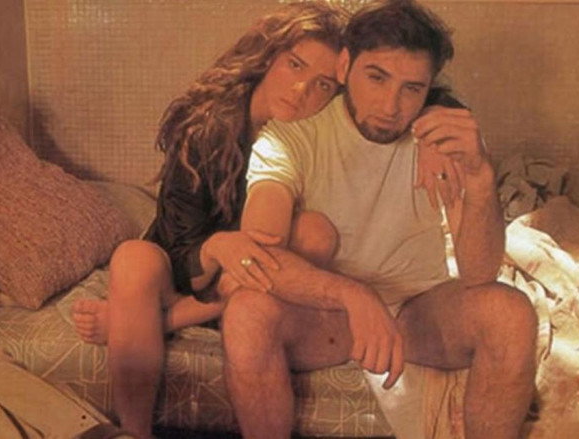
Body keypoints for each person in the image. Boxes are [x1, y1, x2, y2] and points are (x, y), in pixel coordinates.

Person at [221, 1, 538, 438]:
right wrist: (353, 295)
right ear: (345, 66)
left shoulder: (440, 134)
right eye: (376, 78)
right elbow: (261, 255)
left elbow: (480, 273)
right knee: (246, 312)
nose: (391, 105)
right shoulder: (291, 137)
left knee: (512, 313)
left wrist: (481, 177)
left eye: (412, 89)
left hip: (416, 310)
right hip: (326, 315)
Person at [69, 3, 349, 437]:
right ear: (268, 56)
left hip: (255, 284)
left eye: (323, 84)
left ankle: (157, 320)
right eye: (295, 65)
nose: (301, 90)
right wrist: (219, 246)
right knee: (133, 258)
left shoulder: (320, 135)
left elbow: (400, 94)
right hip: (187, 268)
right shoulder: (204, 122)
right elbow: (179, 246)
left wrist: (439, 119)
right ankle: (134, 433)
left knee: (315, 233)